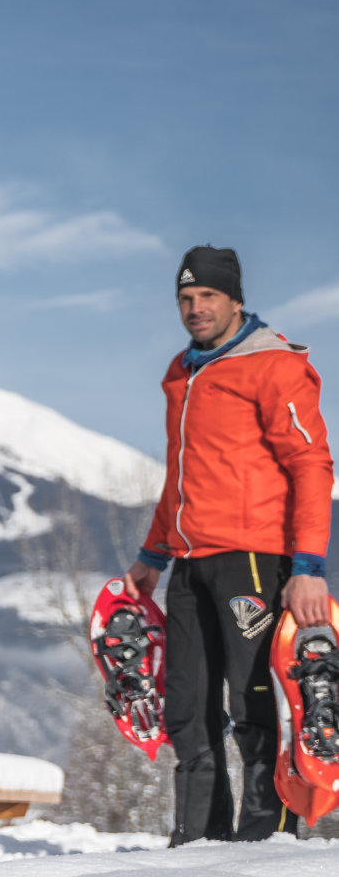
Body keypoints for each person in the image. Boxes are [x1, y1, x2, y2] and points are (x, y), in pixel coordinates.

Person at [125, 246, 332, 846]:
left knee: (253, 703)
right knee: (186, 706)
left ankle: (268, 838)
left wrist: (309, 566)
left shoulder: (272, 365)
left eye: (208, 297)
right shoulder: (182, 372)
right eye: (186, 299)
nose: (196, 309)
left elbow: (311, 464)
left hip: (252, 559)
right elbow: (182, 476)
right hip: (189, 564)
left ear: (235, 299)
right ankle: (197, 839)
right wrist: (152, 556)